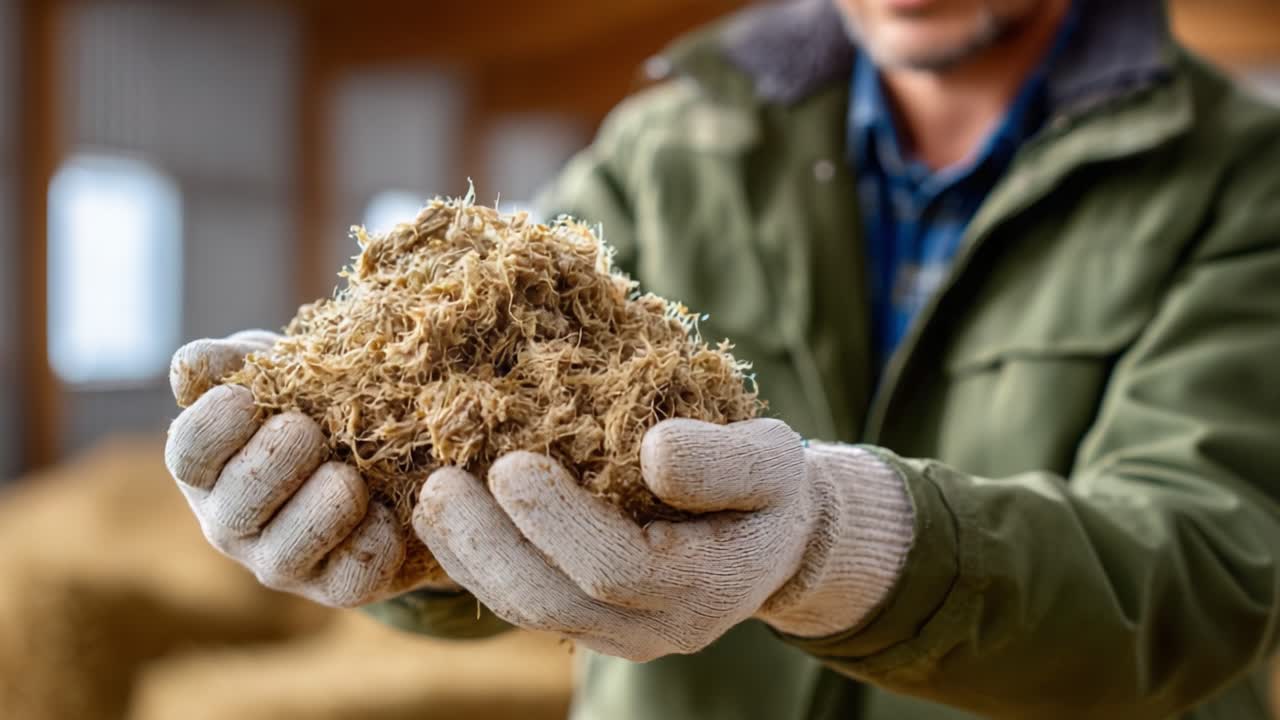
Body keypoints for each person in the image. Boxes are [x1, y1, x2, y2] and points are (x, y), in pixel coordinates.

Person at [164, 0, 1280, 717]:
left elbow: (1211, 566)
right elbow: (501, 459)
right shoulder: (668, 147)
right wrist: (386, 517)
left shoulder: (1239, 172)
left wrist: (837, 544)